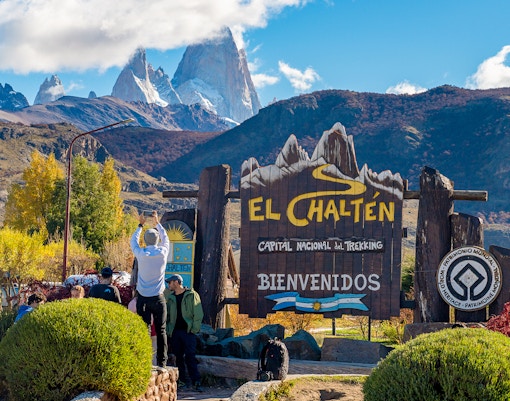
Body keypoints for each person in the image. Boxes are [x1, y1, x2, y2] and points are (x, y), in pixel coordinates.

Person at [130, 211, 171, 368]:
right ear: (157, 240)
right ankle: (162, 363)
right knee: (161, 331)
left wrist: (140, 225)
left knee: (144, 329)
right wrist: (157, 223)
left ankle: (144, 361)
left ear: (145, 241)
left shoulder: (141, 253)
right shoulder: (163, 252)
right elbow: (166, 238)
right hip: (158, 298)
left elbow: (133, 241)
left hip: (143, 298)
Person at [166, 274, 204, 391]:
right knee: (178, 358)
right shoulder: (170, 297)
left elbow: (198, 313)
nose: (168, 285)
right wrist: (168, 329)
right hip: (175, 332)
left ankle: (196, 381)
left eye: (170, 282)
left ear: (176, 282)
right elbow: (167, 315)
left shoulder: (192, 295)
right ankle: (181, 381)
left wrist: (194, 329)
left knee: (190, 356)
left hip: (188, 332)